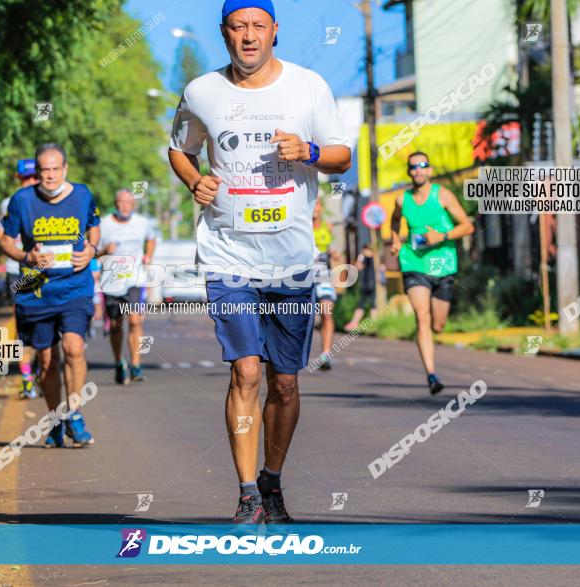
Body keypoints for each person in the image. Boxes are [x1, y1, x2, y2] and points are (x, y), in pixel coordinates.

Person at [168, 0, 351, 524]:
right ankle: (247, 492)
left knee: (284, 381)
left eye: (258, 26)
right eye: (238, 27)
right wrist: (193, 179)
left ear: (275, 31)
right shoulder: (201, 91)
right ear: (224, 33)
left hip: (291, 259)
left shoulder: (308, 86)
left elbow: (342, 155)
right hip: (228, 255)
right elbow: (181, 148)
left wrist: (309, 151)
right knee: (245, 371)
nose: (248, 36)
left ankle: (272, 480)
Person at [0, 143, 100, 447]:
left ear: (65, 169)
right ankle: (56, 419)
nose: (51, 175)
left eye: (56, 169)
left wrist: (91, 251)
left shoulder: (82, 195)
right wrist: (25, 256)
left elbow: (94, 227)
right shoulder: (22, 200)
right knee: (46, 361)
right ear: (38, 171)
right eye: (45, 170)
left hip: (74, 286)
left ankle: (76, 414)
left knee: (73, 347)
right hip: (37, 292)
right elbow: (5, 240)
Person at [390, 151, 474, 395]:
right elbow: (394, 221)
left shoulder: (443, 195)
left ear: (430, 170)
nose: (418, 170)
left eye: (422, 166)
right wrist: (396, 240)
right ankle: (432, 375)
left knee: (438, 324)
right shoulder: (401, 199)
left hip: (442, 263)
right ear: (409, 171)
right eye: (413, 167)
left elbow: (468, 225)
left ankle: (433, 356)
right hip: (414, 262)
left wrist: (442, 236)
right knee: (422, 317)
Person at [98, 189, 157, 385]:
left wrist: (148, 256)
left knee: (135, 321)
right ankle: (118, 362)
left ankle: (136, 364)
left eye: (129, 203)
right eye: (121, 202)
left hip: (135, 279)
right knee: (116, 325)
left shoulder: (142, 223)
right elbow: (93, 250)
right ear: (116, 204)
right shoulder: (104, 224)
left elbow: (151, 239)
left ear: (134, 205)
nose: (125, 206)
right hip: (112, 281)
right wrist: (106, 250)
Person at [0, 159, 40, 398]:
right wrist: (22, 254)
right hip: (18, 268)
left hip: (47, 269)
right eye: (25, 178)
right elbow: (0, 236)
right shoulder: (9, 203)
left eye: (34, 177)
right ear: (18, 179)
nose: (30, 182)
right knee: (25, 322)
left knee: (48, 320)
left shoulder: (49, 199)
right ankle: (26, 378)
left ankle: (43, 369)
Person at [311, 199, 336, 370]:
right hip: (302, 273)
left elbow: (333, 250)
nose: (315, 208)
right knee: (305, 316)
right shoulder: (301, 225)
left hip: (324, 273)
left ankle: (326, 354)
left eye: (318, 204)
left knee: (326, 311)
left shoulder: (328, 226)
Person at [343, 243, 377, 331]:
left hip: (366, 283)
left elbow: (358, 266)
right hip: (371, 282)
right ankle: (374, 323)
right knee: (371, 303)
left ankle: (355, 323)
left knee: (363, 303)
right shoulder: (373, 256)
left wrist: (360, 256)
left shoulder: (363, 256)